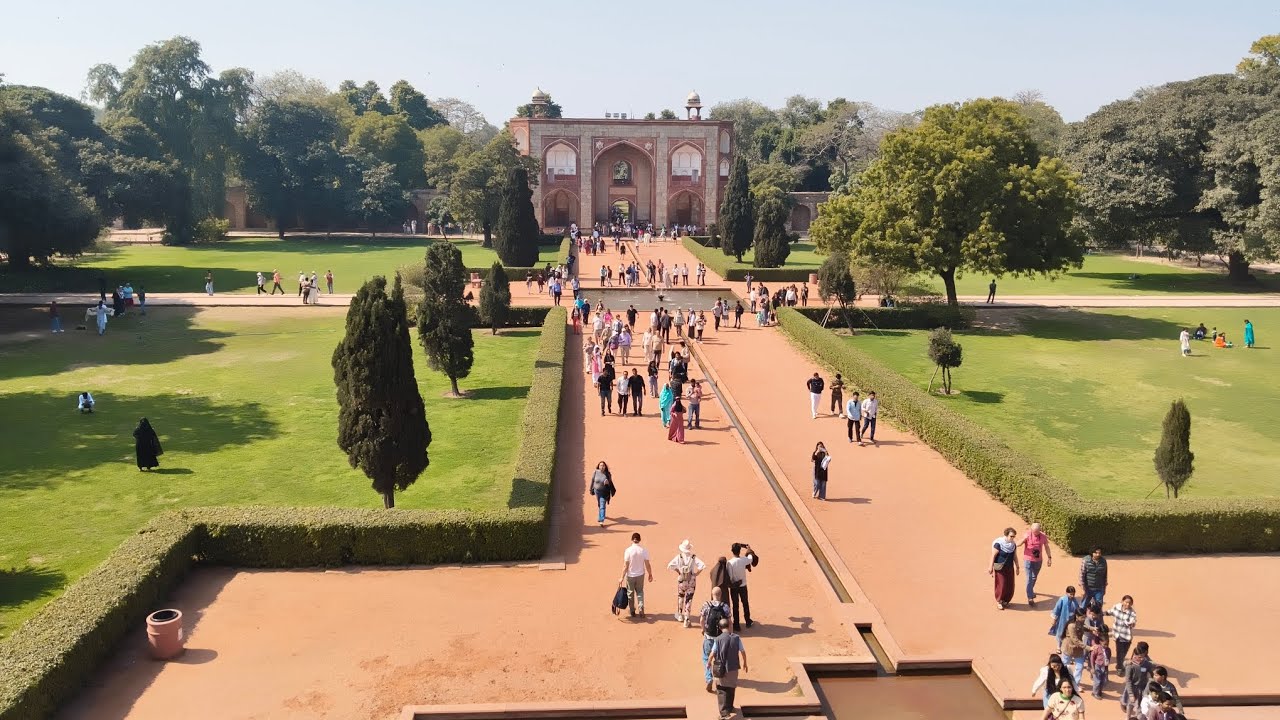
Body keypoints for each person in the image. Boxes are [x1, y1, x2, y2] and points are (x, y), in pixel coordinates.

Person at [706, 619, 748, 720]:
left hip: (721, 668)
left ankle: (724, 714)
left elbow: (713, 652)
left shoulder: (718, 639)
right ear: (729, 626)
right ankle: (730, 707)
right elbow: (742, 651)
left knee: (721, 689)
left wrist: (708, 663)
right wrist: (745, 663)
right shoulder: (736, 638)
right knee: (731, 687)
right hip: (734, 667)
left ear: (720, 628)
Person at [699, 586, 732, 692]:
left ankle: (709, 678)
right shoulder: (725, 607)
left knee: (706, 658)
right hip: (721, 639)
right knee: (720, 659)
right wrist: (730, 634)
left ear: (712, 594)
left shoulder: (706, 605)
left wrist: (703, 629)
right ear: (721, 595)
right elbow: (730, 622)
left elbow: (702, 619)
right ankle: (720, 678)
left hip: (709, 637)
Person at [668, 540, 706, 626]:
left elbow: (670, 565)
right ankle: (686, 619)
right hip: (691, 580)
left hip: (681, 580)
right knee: (689, 599)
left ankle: (680, 615)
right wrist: (696, 574)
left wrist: (678, 571)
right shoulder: (693, 557)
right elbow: (702, 565)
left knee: (680, 597)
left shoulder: (679, 557)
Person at [620, 533, 653, 618]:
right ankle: (641, 607)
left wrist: (621, 577)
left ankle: (632, 611)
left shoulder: (628, 550)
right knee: (640, 592)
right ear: (639, 540)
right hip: (640, 575)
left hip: (630, 576)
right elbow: (647, 564)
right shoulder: (643, 550)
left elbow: (625, 566)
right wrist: (650, 574)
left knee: (630, 593)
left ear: (632, 539)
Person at [1019, 522, 1053, 606]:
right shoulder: (1027, 535)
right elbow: (1017, 544)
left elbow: (1046, 547)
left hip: (1038, 560)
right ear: (1031, 529)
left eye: (1037, 531)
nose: (1035, 533)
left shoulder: (1043, 536)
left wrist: (1049, 557)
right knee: (1029, 578)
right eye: (1034, 531)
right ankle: (1030, 597)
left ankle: (1030, 589)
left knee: (1034, 577)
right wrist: (1024, 540)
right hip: (1028, 560)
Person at [727, 542, 757, 631]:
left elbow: (731, 577)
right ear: (739, 551)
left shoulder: (730, 563)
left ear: (732, 551)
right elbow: (751, 558)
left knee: (735, 605)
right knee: (745, 603)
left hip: (734, 587)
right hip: (743, 586)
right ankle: (748, 621)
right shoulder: (744, 560)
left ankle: (736, 624)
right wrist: (748, 549)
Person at [1120, 641, 1154, 716]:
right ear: (1135, 656)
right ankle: (1127, 717)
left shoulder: (1146, 663)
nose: (1142, 659)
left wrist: (1151, 675)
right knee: (1130, 703)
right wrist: (1131, 694)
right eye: (1139, 657)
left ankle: (1137, 716)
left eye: (1143, 657)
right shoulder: (1130, 666)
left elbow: (1151, 669)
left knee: (1140, 705)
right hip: (1132, 688)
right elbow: (1128, 681)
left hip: (1142, 688)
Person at [989, 527, 1019, 609]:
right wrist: (990, 567)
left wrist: (1017, 567)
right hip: (1000, 568)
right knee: (1001, 584)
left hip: (1009, 567)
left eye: (1014, 536)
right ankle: (999, 601)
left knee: (1010, 585)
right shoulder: (998, 544)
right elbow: (993, 555)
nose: (1013, 538)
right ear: (1006, 535)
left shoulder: (1013, 545)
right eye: (1011, 536)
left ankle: (1006, 601)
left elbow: (1015, 556)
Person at [1107, 595, 1138, 672]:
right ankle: (1120, 668)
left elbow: (1133, 622)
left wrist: (1130, 623)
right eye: (1126, 602)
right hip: (1118, 636)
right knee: (1119, 653)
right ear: (1122, 601)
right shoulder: (1116, 608)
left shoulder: (1132, 612)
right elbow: (1109, 612)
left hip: (1127, 637)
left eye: (1130, 603)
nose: (1127, 604)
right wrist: (1099, 613)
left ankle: (1119, 664)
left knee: (1124, 653)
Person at [1060, 608, 1088, 687]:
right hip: (1069, 648)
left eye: (1084, 617)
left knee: (1080, 666)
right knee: (1065, 666)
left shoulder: (1080, 622)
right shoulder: (1071, 625)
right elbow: (1075, 640)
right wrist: (1088, 647)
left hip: (1078, 649)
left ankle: (1075, 684)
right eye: (1082, 617)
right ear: (1077, 616)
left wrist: (1093, 629)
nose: (1084, 619)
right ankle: (1063, 682)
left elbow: (1084, 627)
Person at [1088, 626, 1112, 699]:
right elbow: (1092, 658)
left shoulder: (1108, 650)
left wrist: (1107, 667)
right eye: (1105, 644)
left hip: (1104, 667)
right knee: (1097, 681)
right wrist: (1092, 668)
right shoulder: (1097, 648)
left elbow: (1108, 658)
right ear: (1101, 642)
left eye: (1107, 644)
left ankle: (1099, 691)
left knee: (1103, 681)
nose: (1106, 646)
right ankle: (1095, 693)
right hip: (1097, 666)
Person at [589, 461, 616, 526]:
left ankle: (601, 520)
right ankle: (601, 513)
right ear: (598, 466)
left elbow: (610, 483)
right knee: (599, 504)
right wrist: (590, 489)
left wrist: (608, 482)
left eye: (603, 465)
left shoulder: (608, 474)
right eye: (600, 465)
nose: (602, 467)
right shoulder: (595, 472)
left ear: (605, 467)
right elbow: (592, 481)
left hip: (604, 492)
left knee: (602, 505)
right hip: (596, 491)